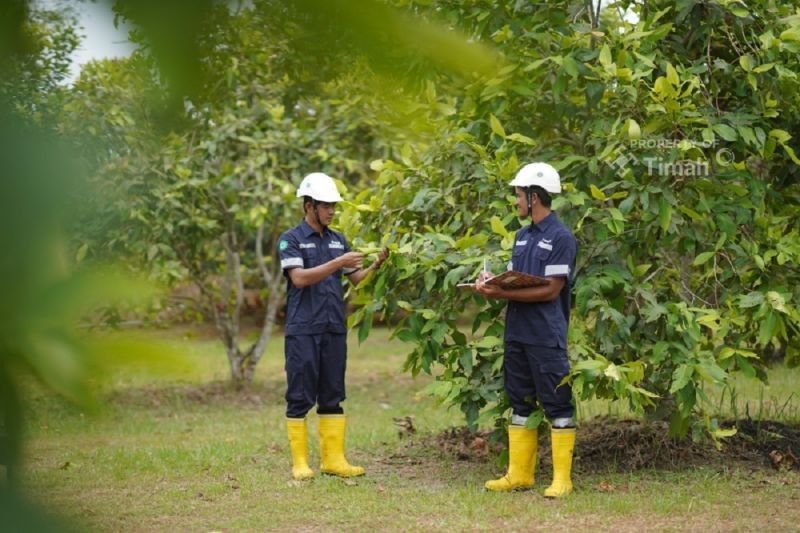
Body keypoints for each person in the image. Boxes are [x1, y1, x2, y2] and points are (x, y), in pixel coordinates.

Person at [475, 162, 578, 498]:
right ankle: (520, 474)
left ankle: (562, 479)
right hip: (517, 333)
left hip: (546, 335)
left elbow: (551, 289)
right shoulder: (521, 237)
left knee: (557, 404)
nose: (516, 202)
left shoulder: (562, 238)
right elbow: (515, 283)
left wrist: (501, 291)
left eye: (519, 195)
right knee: (520, 402)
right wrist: (491, 285)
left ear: (534, 197)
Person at [277, 172, 388, 480]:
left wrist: (376, 265)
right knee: (300, 394)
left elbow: (357, 279)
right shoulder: (291, 239)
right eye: (326, 206)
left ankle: (333, 460)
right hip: (303, 328)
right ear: (309, 205)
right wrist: (338, 264)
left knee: (332, 393)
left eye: (333, 207)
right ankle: (300, 463)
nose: (331, 212)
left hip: (333, 328)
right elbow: (299, 278)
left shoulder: (339, 240)